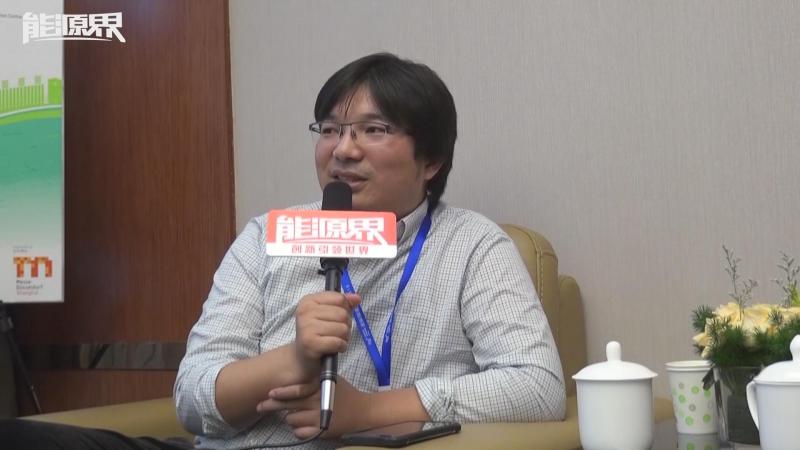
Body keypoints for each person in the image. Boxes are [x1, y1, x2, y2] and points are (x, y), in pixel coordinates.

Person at [0, 52, 565, 450]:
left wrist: (369, 410)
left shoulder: (472, 245)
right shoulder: (268, 236)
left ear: (432, 160)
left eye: (373, 130)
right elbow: (192, 398)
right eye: (330, 129)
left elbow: (537, 386)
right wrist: (291, 360)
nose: (343, 150)